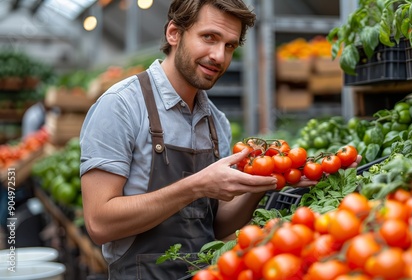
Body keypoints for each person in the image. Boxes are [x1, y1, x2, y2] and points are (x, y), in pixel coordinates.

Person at [80, 1, 360, 279]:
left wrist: (265, 183)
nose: (219, 56)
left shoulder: (216, 122)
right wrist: (196, 186)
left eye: (229, 46)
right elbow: (100, 224)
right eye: (209, 38)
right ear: (174, 34)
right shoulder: (121, 105)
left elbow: (216, 227)